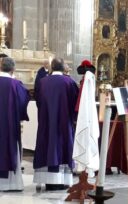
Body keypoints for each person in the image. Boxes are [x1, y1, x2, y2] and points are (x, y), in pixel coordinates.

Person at [33, 58, 79, 191]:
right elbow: (75, 103)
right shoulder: (69, 82)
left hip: (46, 122)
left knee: (46, 146)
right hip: (64, 123)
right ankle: (62, 180)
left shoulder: (42, 82)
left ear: (52, 67)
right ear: (63, 67)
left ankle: (46, 180)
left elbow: (38, 101)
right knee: (62, 146)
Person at [0, 57, 30, 191]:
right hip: (9, 125)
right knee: (9, 147)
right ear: (13, 69)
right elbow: (23, 102)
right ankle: (10, 184)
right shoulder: (16, 84)